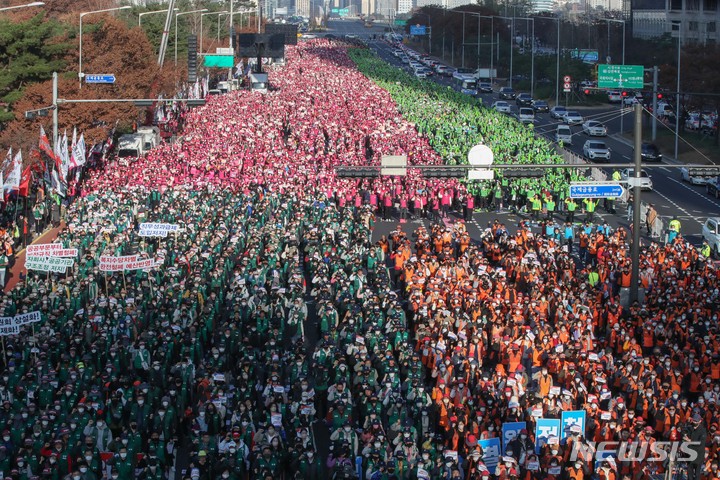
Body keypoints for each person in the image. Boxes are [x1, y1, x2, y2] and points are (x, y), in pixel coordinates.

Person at [686, 414, 708, 480]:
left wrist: (690, 441)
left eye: (696, 421)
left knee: (697, 473)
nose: (694, 422)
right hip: (690, 453)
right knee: (689, 473)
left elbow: (701, 443)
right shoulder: (690, 427)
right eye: (694, 420)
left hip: (699, 455)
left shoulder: (703, 431)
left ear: (700, 421)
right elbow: (684, 433)